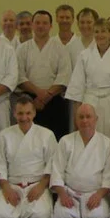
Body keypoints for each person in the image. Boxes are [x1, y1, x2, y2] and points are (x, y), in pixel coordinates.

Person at [0, 96, 57, 218]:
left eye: (28, 113)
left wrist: (41, 187)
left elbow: (52, 164)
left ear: (34, 113)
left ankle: (18, 213)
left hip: (36, 185)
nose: (24, 118)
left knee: (42, 216)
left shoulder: (47, 134)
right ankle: (21, 212)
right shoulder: (5, 135)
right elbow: (0, 165)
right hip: (13, 186)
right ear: (14, 114)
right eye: (20, 113)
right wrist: (6, 188)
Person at [66, 18, 110, 138]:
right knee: (89, 136)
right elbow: (77, 87)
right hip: (90, 101)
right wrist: (77, 115)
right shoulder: (84, 56)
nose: (100, 35)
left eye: (103, 31)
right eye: (97, 31)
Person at [50, 104, 110, 218]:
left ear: (96, 119)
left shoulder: (108, 144)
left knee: (99, 217)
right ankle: (78, 215)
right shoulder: (65, 141)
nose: (85, 121)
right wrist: (63, 195)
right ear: (76, 120)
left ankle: (80, 216)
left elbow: (108, 176)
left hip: (94, 194)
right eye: (81, 117)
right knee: (61, 217)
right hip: (70, 194)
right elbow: (57, 171)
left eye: (88, 117)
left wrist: (99, 195)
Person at [17, 10, 73, 139]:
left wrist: (46, 95)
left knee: (56, 138)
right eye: (37, 23)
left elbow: (64, 76)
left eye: (44, 23)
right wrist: (38, 93)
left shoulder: (60, 48)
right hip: (30, 100)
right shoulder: (23, 49)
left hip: (54, 100)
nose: (40, 26)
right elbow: (19, 76)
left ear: (51, 26)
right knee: (30, 139)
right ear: (32, 25)